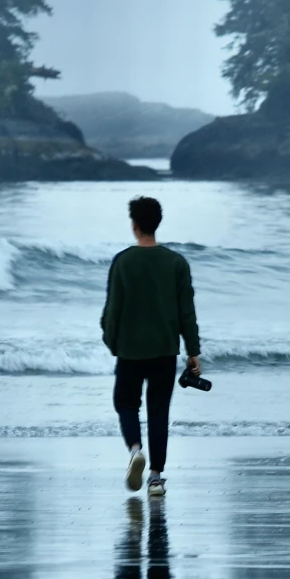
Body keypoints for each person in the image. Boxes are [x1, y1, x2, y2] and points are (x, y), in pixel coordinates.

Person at [101, 195, 202, 496]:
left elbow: (112, 311)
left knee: (125, 403)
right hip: (164, 350)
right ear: (157, 223)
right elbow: (187, 312)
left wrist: (112, 342)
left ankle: (135, 451)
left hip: (130, 350)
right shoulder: (176, 263)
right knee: (159, 411)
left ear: (134, 226)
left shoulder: (122, 262)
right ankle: (155, 478)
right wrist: (193, 351)